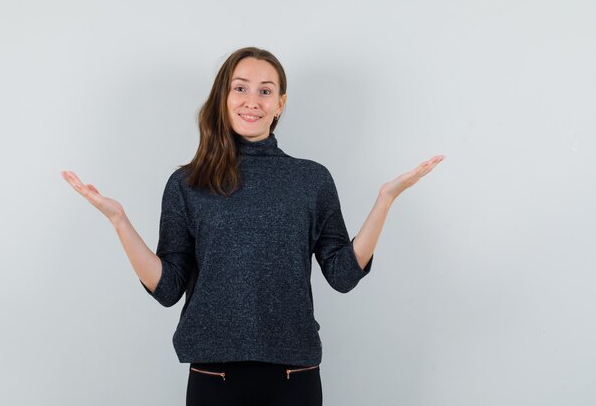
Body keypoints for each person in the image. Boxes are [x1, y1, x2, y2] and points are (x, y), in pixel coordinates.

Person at [62, 46, 444, 406]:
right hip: (214, 376)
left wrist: (384, 201)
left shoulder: (311, 180)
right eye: (240, 88)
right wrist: (119, 221)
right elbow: (167, 287)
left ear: (280, 104)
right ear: (223, 97)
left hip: (295, 375)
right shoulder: (188, 183)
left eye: (266, 91)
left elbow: (343, 274)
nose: (252, 101)